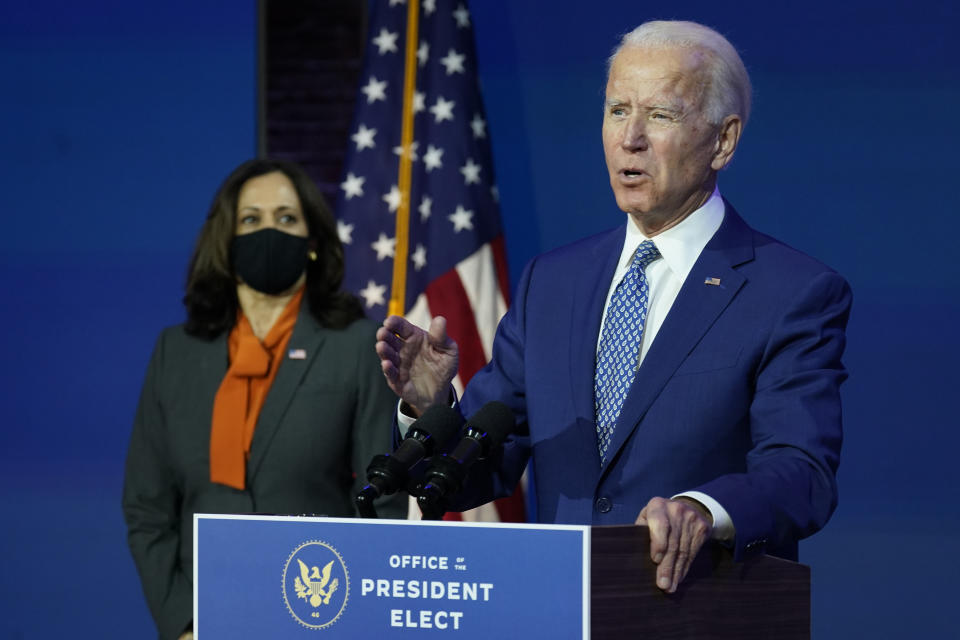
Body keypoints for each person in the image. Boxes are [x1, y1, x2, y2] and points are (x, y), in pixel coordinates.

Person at [376, 20, 851, 594]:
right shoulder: (551, 283)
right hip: (558, 606)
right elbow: (479, 471)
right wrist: (433, 409)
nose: (631, 138)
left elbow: (801, 473)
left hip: (696, 613)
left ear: (723, 140)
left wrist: (703, 510)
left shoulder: (790, 292)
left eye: (661, 115)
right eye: (618, 110)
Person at [122, 158, 405, 640]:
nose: (268, 231)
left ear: (313, 242)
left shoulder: (356, 345)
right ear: (226, 240)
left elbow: (384, 506)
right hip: (203, 619)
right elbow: (147, 508)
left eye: (286, 218)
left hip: (319, 615)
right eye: (250, 219)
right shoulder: (177, 351)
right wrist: (183, 624)